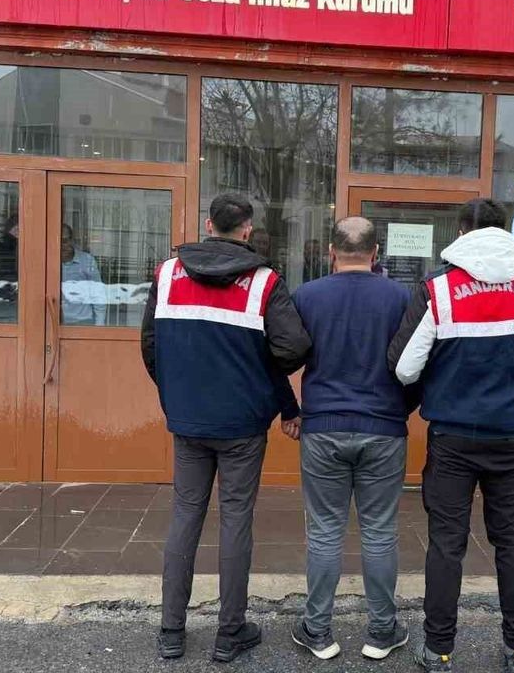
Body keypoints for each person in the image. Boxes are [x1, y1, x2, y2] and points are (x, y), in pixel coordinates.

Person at [388, 198, 514, 673]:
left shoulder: (438, 290)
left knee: (447, 543)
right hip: (511, 437)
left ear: (461, 232)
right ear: (505, 231)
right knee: (513, 540)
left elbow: (404, 367)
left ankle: (438, 649)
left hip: (452, 438)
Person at [141, 194, 311, 664]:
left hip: (188, 420)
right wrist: (259, 380)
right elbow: (294, 347)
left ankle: (171, 631)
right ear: (247, 230)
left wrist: (178, 392)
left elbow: (150, 345)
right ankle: (229, 632)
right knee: (236, 519)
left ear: (208, 224)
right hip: (242, 423)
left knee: (185, 516)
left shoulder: (168, 274)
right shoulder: (264, 281)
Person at [286, 217, 417, 662]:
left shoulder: (307, 296)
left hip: (323, 426)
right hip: (383, 427)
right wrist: (400, 409)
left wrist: (290, 409)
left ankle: (317, 631)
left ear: (331, 251)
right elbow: (418, 363)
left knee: (325, 531)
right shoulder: (401, 298)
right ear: (376, 253)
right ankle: (381, 632)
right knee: (379, 531)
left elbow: (278, 356)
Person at [59, 223, 106, 326]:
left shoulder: (87, 260)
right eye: (58, 241)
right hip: (54, 323)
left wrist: (99, 325)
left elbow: (98, 293)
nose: (62, 245)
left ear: (72, 241)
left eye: (65, 241)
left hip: (82, 322)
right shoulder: (48, 262)